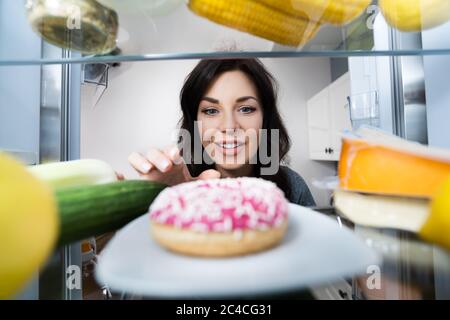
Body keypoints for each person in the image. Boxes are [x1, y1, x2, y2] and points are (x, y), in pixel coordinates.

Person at [128, 58, 316, 207]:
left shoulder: (293, 187)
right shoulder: (180, 186)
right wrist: (155, 199)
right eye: (211, 111)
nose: (229, 126)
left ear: (265, 119)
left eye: (246, 109)